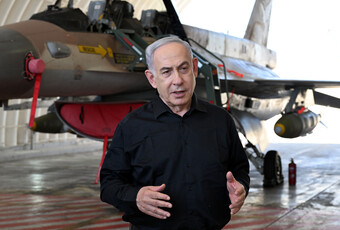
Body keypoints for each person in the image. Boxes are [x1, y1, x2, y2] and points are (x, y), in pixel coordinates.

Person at [100, 36, 250, 230]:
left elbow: (240, 170)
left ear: (195, 68)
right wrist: (136, 196)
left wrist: (241, 188)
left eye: (183, 68)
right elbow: (108, 184)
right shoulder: (131, 126)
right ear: (152, 79)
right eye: (166, 72)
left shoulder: (221, 121)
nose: (177, 80)